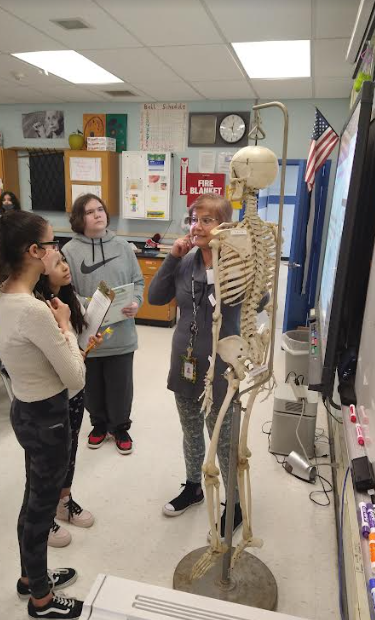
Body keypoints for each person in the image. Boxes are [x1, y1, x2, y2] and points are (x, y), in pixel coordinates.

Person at [0, 210, 89, 620]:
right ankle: (42, 599)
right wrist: (67, 327)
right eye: (53, 243)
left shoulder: (2, 294)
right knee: (40, 509)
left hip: (26, 412)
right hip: (48, 419)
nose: (58, 250)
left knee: (32, 499)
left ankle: (29, 577)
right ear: (34, 251)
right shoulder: (33, 311)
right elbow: (74, 377)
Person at [148, 194, 243, 537]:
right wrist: (171, 259)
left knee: (225, 438)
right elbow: (155, 298)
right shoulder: (185, 262)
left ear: (224, 227)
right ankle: (194, 486)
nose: (197, 226)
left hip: (221, 366)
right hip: (185, 361)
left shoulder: (235, 264)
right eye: (195, 219)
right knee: (190, 430)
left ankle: (234, 504)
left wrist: (233, 261)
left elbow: (258, 300)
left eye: (207, 220)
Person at [63, 194, 144, 455]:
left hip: (121, 333)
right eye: (90, 211)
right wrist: (82, 306)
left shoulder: (123, 246)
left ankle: (120, 427)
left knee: (121, 386)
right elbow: (66, 290)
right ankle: (98, 425)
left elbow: (138, 282)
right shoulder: (69, 251)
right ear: (79, 218)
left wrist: (136, 302)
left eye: (101, 209)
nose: (98, 214)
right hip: (89, 334)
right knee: (93, 386)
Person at [34, 252, 96, 549]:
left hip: (74, 387)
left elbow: (75, 345)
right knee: (50, 458)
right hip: (51, 393)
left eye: (65, 261)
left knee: (69, 449)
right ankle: (44, 516)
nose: (66, 267)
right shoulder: (39, 309)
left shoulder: (70, 300)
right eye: (57, 263)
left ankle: (64, 501)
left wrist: (87, 346)